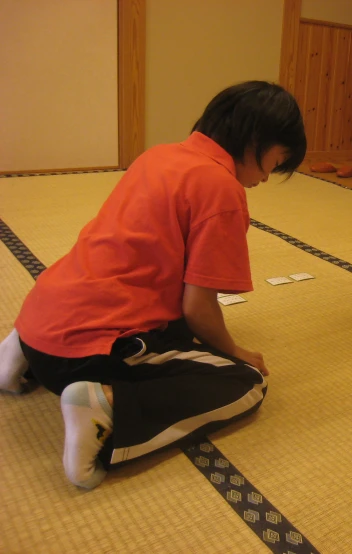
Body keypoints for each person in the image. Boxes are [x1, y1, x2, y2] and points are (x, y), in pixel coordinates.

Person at [0, 81, 306, 488]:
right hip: (83, 355)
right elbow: (198, 308)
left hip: (43, 317)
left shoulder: (160, 155)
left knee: (176, 329)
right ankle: (105, 406)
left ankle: (16, 352)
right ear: (256, 140)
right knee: (246, 384)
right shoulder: (222, 189)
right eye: (275, 161)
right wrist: (238, 352)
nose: (268, 178)